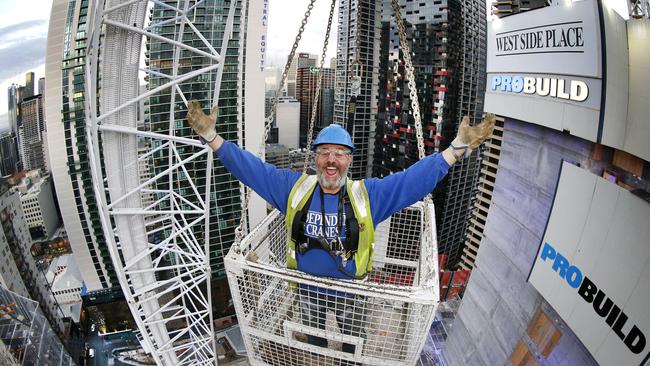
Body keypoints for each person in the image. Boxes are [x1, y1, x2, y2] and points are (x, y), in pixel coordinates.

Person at [187, 100, 495, 355]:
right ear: (316, 158)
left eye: (339, 154)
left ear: (349, 160)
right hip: (307, 290)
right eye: (324, 153)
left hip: (351, 291)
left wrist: (455, 150)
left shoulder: (367, 197)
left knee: (352, 343)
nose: (331, 161)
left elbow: (411, 181)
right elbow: (252, 170)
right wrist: (213, 138)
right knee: (316, 341)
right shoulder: (294, 189)